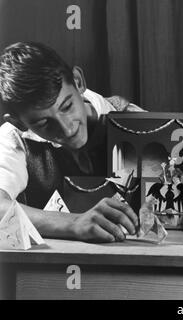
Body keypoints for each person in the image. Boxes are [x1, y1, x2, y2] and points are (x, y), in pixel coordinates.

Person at [0, 42, 142, 243]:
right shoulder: (13, 137)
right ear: (18, 123)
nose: (67, 129)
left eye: (67, 106)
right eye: (44, 123)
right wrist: (73, 223)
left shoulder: (139, 122)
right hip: (46, 270)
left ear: (78, 81)